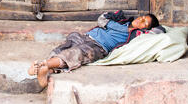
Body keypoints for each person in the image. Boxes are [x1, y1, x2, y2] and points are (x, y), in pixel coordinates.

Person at [28, 12, 164, 88]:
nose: (141, 21)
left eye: (145, 23)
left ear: (145, 28)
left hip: (99, 46)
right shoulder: (122, 19)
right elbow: (102, 18)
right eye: (142, 18)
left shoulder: (137, 34)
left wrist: (112, 26)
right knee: (63, 47)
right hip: (86, 36)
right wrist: (116, 25)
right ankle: (47, 69)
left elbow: (160, 31)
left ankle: (42, 65)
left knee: (74, 54)